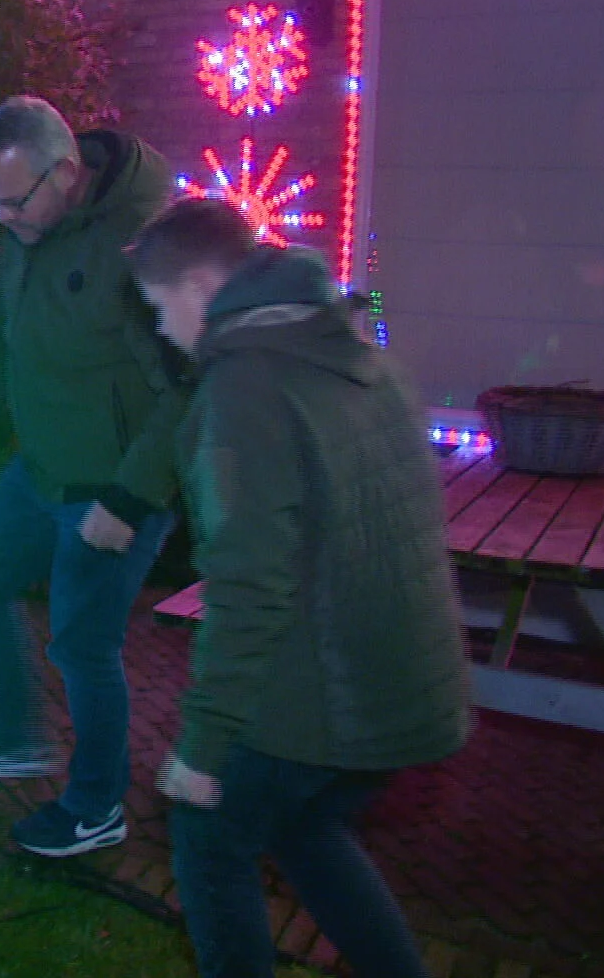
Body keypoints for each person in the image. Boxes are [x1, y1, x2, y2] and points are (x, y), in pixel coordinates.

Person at [128, 198, 470, 978]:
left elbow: (248, 587)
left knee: (208, 837)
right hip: (409, 685)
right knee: (304, 828)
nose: (161, 330)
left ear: (201, 287)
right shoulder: (356, 353)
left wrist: (203, 746)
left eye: (159, 307)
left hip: (332, 695)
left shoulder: (243, 391)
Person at [0, 95, 186, 858]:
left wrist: (131, 498)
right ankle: (14, 737)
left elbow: (187, 387)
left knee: (81, 645)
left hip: (115, 486)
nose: (3, 219)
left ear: (66, 173)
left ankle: (96, 806)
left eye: (13, 201)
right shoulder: (28, 228)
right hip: (40, 467)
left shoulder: (142, 244)